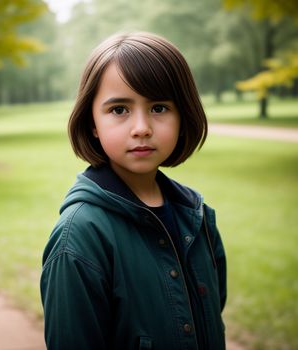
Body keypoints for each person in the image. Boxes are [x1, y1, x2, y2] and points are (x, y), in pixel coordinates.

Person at [40, 32, 227, 350]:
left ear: (183, 115)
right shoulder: (79, 237)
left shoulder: (197, 218)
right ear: (93, 124)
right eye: (119, 110)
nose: (142, 127)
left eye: (158, 107)